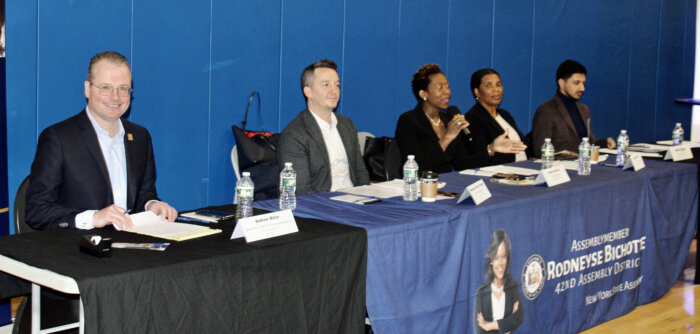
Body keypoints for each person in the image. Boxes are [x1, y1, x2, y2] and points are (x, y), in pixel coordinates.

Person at [25, 51, 178, 231]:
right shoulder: (58, 138)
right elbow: (36, 210)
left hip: (132, 247)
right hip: (77, 249)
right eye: (105, 87)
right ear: (87, 89)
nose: (115, 96)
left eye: (123, 88)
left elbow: (144, 194)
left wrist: (151, 205)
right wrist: (93, 217)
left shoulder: (140, 137)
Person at [395, 64, 526, 173]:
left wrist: (491, 148)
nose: (447, 91)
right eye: (440, 87)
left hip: (444, 186)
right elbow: (418, 167)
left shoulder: (447, 120)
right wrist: (448, 137)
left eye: (447, 86)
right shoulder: (409, 121)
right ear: (424, 94)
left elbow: (463, 165)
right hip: (416, 187)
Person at [277, 59, 369, 195]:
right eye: (326, 85)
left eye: (337, 85)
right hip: (323, 206)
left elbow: (361, 172)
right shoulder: (295, 134)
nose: (334, 91)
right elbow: (301, 190)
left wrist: (366, 198)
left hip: (354, 201)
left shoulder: (347, 125)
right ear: (308, 92)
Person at [531, 60, 615, 157]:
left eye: (583, 83)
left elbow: (587, 144)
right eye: (576, 83)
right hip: (560, 168)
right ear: (562, 83)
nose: (582, 88)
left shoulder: (584, 109)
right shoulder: (546, 111)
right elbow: (540, 151)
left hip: (584, 165)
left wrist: (605, 143)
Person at [465, 69, 528, 167]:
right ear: (477, 92)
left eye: (498, 84)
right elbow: (478, 157)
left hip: (524, 170)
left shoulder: (505, 115)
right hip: (500, 175)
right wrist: (493, 148)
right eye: (489, 85)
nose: (496, 89)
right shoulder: (472, 119)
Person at [474, 229, 524, 334]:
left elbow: (519, 317)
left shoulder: (513, 285)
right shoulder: (481, 293)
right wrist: (508, 326)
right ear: (491, 260)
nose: (500, 263)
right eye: (496, 258)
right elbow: (479, 331)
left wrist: (490, 326)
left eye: (503, 256)